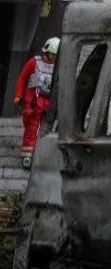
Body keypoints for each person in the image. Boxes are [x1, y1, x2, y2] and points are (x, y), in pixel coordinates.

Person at [13, 38, 58, 170]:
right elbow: (22, 78)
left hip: (49, 102)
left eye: (56, 56)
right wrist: (18, 95)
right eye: (53, 55)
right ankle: (28, 155)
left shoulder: (59, 66)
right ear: (47, 52)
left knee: (47, 129)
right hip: (33, 101)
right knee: (31, 128)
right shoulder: (34, 62)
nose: (54, 58)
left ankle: (42, 153)